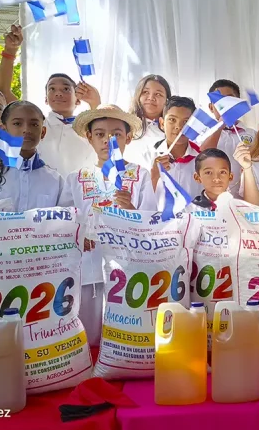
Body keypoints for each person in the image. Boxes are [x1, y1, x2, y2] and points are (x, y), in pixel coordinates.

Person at [62, 104, 156, 346]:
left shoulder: (139, 175)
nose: (108, 140)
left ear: (128, 138)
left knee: (123, 335)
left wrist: (131, 211)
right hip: (87, 269)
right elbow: (65, 221)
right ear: (89, 138)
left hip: (127, 268)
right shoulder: (75, 178)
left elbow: (152, 223)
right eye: (101, 134)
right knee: (88, 335)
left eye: (116, 134)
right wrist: (77, 235)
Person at [0, 25, 99, 177]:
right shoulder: (37, 124)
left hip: (77, 197)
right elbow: (2, 93)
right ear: (45, 99)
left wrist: (95, 102)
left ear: (78, 100)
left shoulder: (88, 129)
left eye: (65, 89)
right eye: (52, 89)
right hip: (40, 192)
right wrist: (10, 51)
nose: (58, 93)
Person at [200, 79, 257, 196]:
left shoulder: (253, 134)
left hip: (246, 199)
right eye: (220, 101)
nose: (225, 106)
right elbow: (202, 155)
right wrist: (221, 124)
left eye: (230, 100)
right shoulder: (202, 134)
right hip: (213, 200)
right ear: (211, 107)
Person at [150, 96, 203, 206]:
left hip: (194, 221)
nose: (179, 127)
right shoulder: (147, 157)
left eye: (186, 121)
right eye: (172, 120)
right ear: (162, 123)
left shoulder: (202, 160)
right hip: (159, 221)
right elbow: (142, 201)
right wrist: (154, 176)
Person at [125, 74, 172, 167]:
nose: (151, 98)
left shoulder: (172, 131)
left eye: (158, 94)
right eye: (145, 92)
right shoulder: (124, 126)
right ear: (137, 96)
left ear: (166, 101)